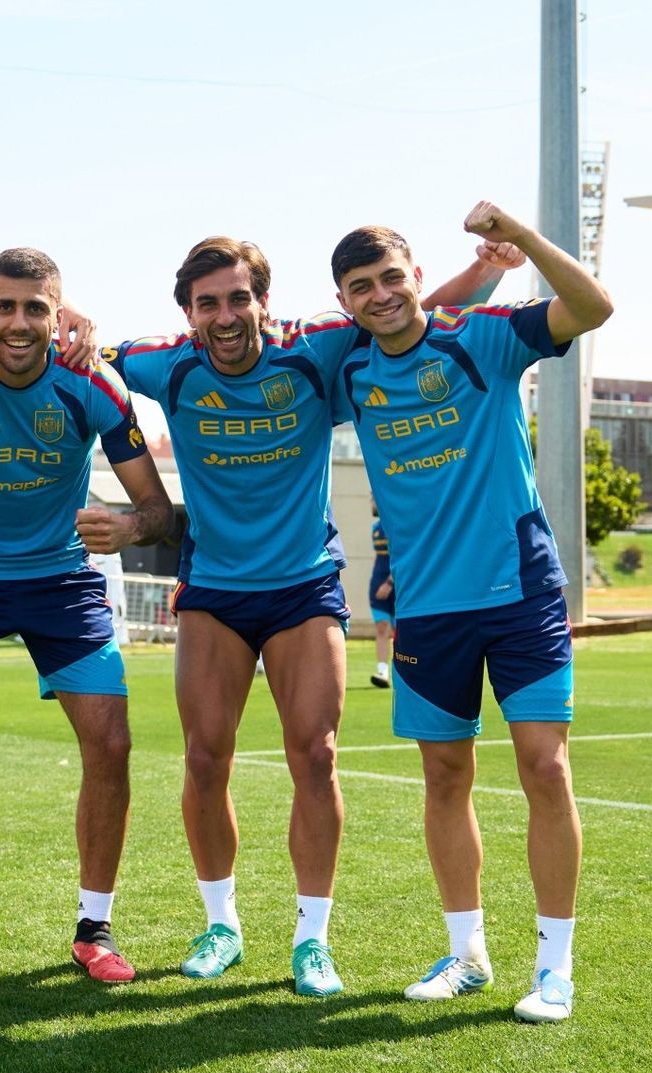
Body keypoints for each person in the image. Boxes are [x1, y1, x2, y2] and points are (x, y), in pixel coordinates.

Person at [76, 237, 516, 993]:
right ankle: (222, 925)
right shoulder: (162, 364)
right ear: (187, 313)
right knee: (206, 758)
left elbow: (407, 312)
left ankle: (313, 940)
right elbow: (75, 355)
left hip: (304, 587)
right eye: (208, 302)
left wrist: (485, 271)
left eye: (238, 298)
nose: (225, 315)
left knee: (315, 756)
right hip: (214, 589)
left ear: (263, 303)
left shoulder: (313, 350)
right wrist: (69, 321)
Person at [331, 200, 613, 1024]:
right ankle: (467, 955)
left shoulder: (480, 337)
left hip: (520, 590)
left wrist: (520, 241)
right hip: (425, 608)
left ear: (418, 277)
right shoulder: (347, 369)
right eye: (361, 287)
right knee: (445, 777)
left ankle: (553, 969)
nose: (381, 295)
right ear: (345, 302)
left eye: (391, 278)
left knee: (544, 769)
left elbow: (593, 309)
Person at [0, 248, 172, 984]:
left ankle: (95, 928)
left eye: (35, 308)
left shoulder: (94, 387)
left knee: (111, 744)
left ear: (60, 315)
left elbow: (159, 511)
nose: (19, 324)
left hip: (60, 584)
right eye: (4, 308)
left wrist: (131, 527)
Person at [369, 502, 394, 688]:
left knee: (401, 632)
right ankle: (382, 671)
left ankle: (403, 672)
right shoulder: (375, 527)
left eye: (373, 499)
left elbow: (403, 556)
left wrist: (390, 582)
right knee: (381, 628)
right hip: (378, 582)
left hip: (398, 584)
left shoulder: (397, 524)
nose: (371, 503)